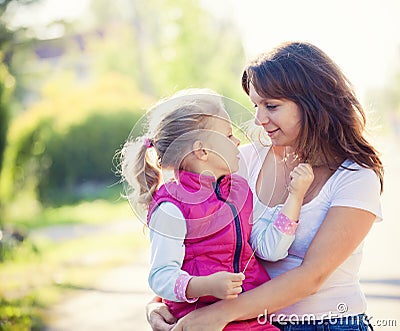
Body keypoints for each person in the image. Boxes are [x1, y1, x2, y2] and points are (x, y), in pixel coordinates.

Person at [146, 42, 384, 331]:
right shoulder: (241, 161)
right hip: (247, 324)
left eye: (271, 106)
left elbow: (312, 276)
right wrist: (158, 303)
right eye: (256, 105)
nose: (259, 119)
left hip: (327, 323)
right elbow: (194, 239)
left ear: (313, 103)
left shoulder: (356, 177)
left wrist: (220, 313)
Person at [119, 88, 314, 330]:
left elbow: (270, 249)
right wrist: (207, 286)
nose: (238, 141)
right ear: (202, 151)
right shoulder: (171, 206)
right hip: (201, 319)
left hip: (251, 317)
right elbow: (160, 276)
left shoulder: (240, 191)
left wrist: (295, 197)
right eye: (229, 135)